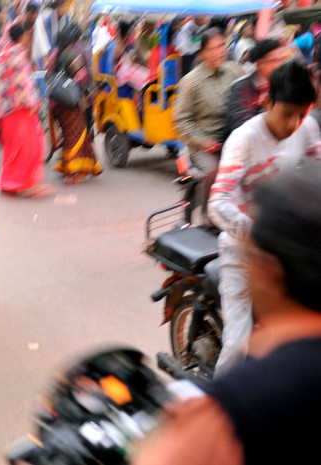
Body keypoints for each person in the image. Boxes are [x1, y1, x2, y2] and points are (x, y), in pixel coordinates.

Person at [133, 164, 321, 465]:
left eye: (251, 257)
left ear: (270, 270)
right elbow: (218, 200)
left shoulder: (229, 412)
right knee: (237, 339)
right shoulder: (243, 139)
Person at [207, 61, 320, 375]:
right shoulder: (243, 140)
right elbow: (217, 203)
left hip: (287, 252)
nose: (294, 124)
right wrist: (258, 234)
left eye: (301, 113)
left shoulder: (307, 127)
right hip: (243, 252)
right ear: (267, 102)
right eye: (287, 114)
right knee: (238, 345)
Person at [174, 27, 242, 222]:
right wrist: (204, 141)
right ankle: (208, 219)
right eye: (213, 48)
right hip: (203, 146)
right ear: (202, 53)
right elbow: (181, 120)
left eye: (222, 46)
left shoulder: (233, 72)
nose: (220, 51)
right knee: (216, 172)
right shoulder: (191, 81)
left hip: (231, 139)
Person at [0, 23, 55, 198]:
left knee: (12, 150)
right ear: (23, 37)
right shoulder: (18, 54)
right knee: (32, 146)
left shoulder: (2, 55)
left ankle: (8, 183)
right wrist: (34, 103)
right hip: (19, 109)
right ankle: (26, 184)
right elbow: (24, 84)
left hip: (4, 111)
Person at [48, 24, 101, 184]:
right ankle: (73, 171)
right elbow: (82, 78)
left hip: (56, 103)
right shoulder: (72, 55)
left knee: (68, 135)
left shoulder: (54, 56)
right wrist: (92, 93)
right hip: (71, 102)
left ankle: (69, 167)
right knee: (76, 136)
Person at [224, 38, 286, 139]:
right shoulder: (242, 88)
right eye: (274, 60)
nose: (279, 65)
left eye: (281, 60)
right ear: (260, 63)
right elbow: (241, 127)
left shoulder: (282, 83)